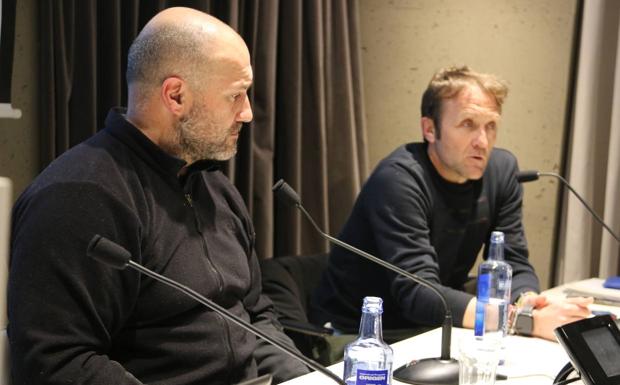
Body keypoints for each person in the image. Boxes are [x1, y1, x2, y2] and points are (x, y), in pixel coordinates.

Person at [8, 7, 309, 385]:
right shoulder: (77, 198)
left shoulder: (214, 188)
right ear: (176, 95)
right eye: (236, 95)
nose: (247, 113)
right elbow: (58, 361)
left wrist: (307, 379)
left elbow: (256, 316)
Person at [312, 65, 592, 341]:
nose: (482, 142)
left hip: (434, 325)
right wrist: (519, 320)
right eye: (468, 124)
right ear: (430, 129)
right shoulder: (398, 180)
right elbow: (419, 293)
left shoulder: (502, 170)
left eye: (491, 125)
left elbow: (514, 262)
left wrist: (530, 302)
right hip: (359, 333)